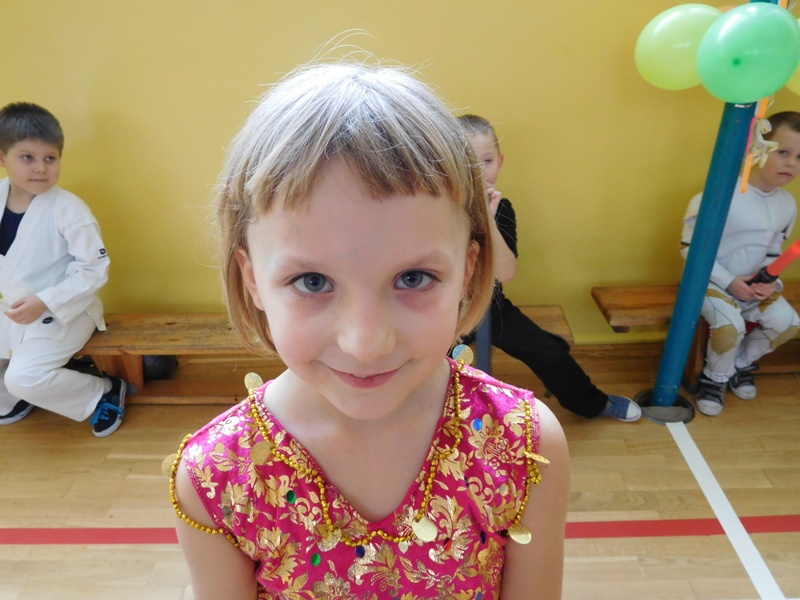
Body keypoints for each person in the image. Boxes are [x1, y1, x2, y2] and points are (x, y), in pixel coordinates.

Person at [168, 62, 570, 599]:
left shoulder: (523, 445)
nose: (365, 343)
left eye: (413, 278)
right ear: (253, 280)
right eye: (312, 281)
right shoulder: (217, 476)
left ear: (469, 271)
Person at [457, 114, 641, 423]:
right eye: (468, 164)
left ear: (500, 162)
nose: (479, 173)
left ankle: (592, 403)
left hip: (491, 304)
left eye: (486, 162)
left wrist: (487, 218)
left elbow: (505, 273)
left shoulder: (502, 209)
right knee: (433, 367)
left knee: (551, 352)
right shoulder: (438, 209)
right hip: (449, 309)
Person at [0, 102, 127, 436]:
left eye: (50, 158)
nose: (40, 168)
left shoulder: (69, 209)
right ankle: (13, 397)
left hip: (67, 310)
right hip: (14, 307)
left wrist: (45, 301)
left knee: (23, 376)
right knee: (15, 380)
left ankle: (103, 390)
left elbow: (94, 269)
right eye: (27, 157)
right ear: (2, 158)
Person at [682, 111, 800, 417]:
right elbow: (689, 249)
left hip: (753, 285)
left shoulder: (787, 204)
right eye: (783, 152)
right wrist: (729, 282)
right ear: (757, 148)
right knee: (729, 327)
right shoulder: (718, 195)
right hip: (709, 283)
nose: (792, 163)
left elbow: (774, 251)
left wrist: (770, 282)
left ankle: (738, 366)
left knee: (788, 322)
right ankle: (714, 379)